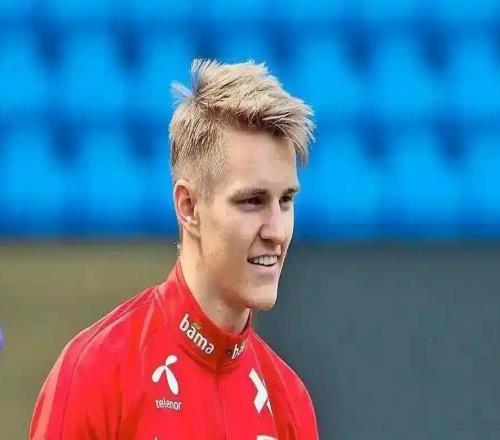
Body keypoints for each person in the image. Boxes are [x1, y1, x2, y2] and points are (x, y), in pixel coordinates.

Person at [30, 59, 318, 439]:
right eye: (252, 201)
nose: (277, 231)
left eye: (286, 200)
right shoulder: (96, 372)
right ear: (189, 207)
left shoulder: (290, 402)